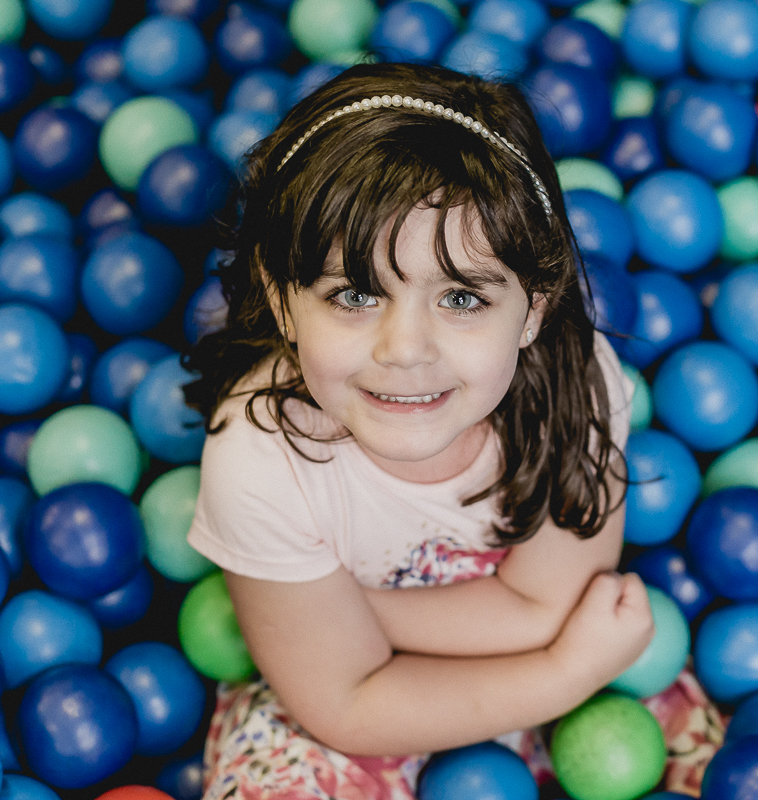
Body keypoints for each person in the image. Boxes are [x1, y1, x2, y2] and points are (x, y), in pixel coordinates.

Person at [183, 62, 724, 800]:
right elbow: (345, 700)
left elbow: (550, 605)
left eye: (462, 297)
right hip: (364, 711)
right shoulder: (258, 454)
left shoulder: (575, 383)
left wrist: (347, 612)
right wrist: (563, 669)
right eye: (356, 293)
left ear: (534, 307)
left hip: (574, 662)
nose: (405, 349)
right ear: (283, 302)